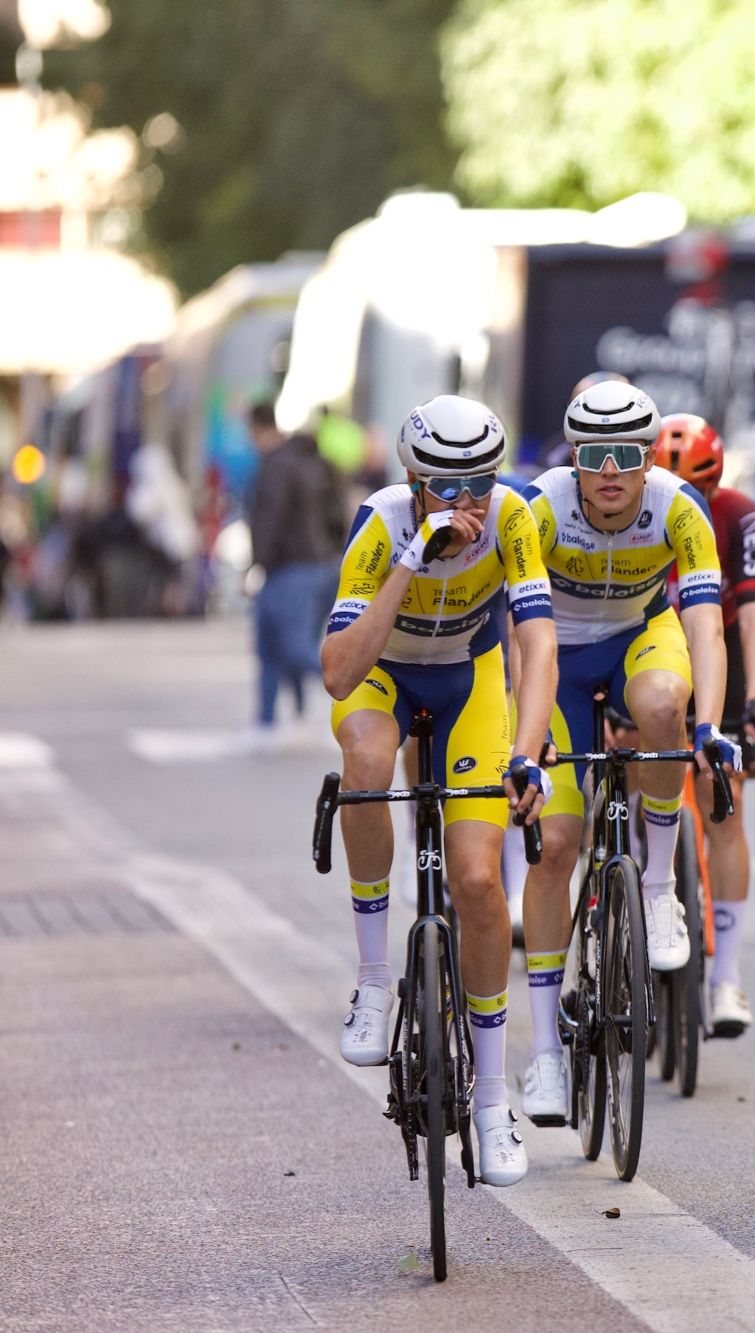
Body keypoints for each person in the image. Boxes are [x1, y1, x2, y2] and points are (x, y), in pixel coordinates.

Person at [320, 395, 556, 1187]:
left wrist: (527, 752)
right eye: (450, 487)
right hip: (385, 674)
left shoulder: (516, 516)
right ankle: (374, 982)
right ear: (414, 481)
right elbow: (340, 671)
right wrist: (413, 558)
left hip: (470, 680)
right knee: (364, 761)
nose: (469, 503)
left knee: (481, 878)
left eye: (480, 484)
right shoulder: (383, 523)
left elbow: (537, 638)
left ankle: (493, 1101)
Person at [512, 383, 740, 1127]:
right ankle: (546, 1051)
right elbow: (517, 636)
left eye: (628, 455)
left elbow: (706, 624)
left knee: (663, 708)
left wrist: (708, 722)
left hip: (642, 636)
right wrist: (529, 731)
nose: (610, 471)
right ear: (573, 457)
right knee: (556, 850)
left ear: (649, 458)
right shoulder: (539, 508)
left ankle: (657, 891)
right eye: (594, 456)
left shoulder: (679, 507)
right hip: (560, 658)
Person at [653, 412, 755, 1037]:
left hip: (721, 647)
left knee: (724, 797)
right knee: (626, 779)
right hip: (649, 643)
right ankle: (623, 911)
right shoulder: (634, 512)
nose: (688, 503)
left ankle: (726, 976)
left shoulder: (737, 514)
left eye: (700, 491)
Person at [247, 402, 347, 744]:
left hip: (289, 568)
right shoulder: (318, 463)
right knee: (290, 643)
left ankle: (356, 688)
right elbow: (338, 518)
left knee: (283, 646)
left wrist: (258, 561)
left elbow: (269, 518)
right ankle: (288, 716)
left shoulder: (277, 465)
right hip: (323, 567)